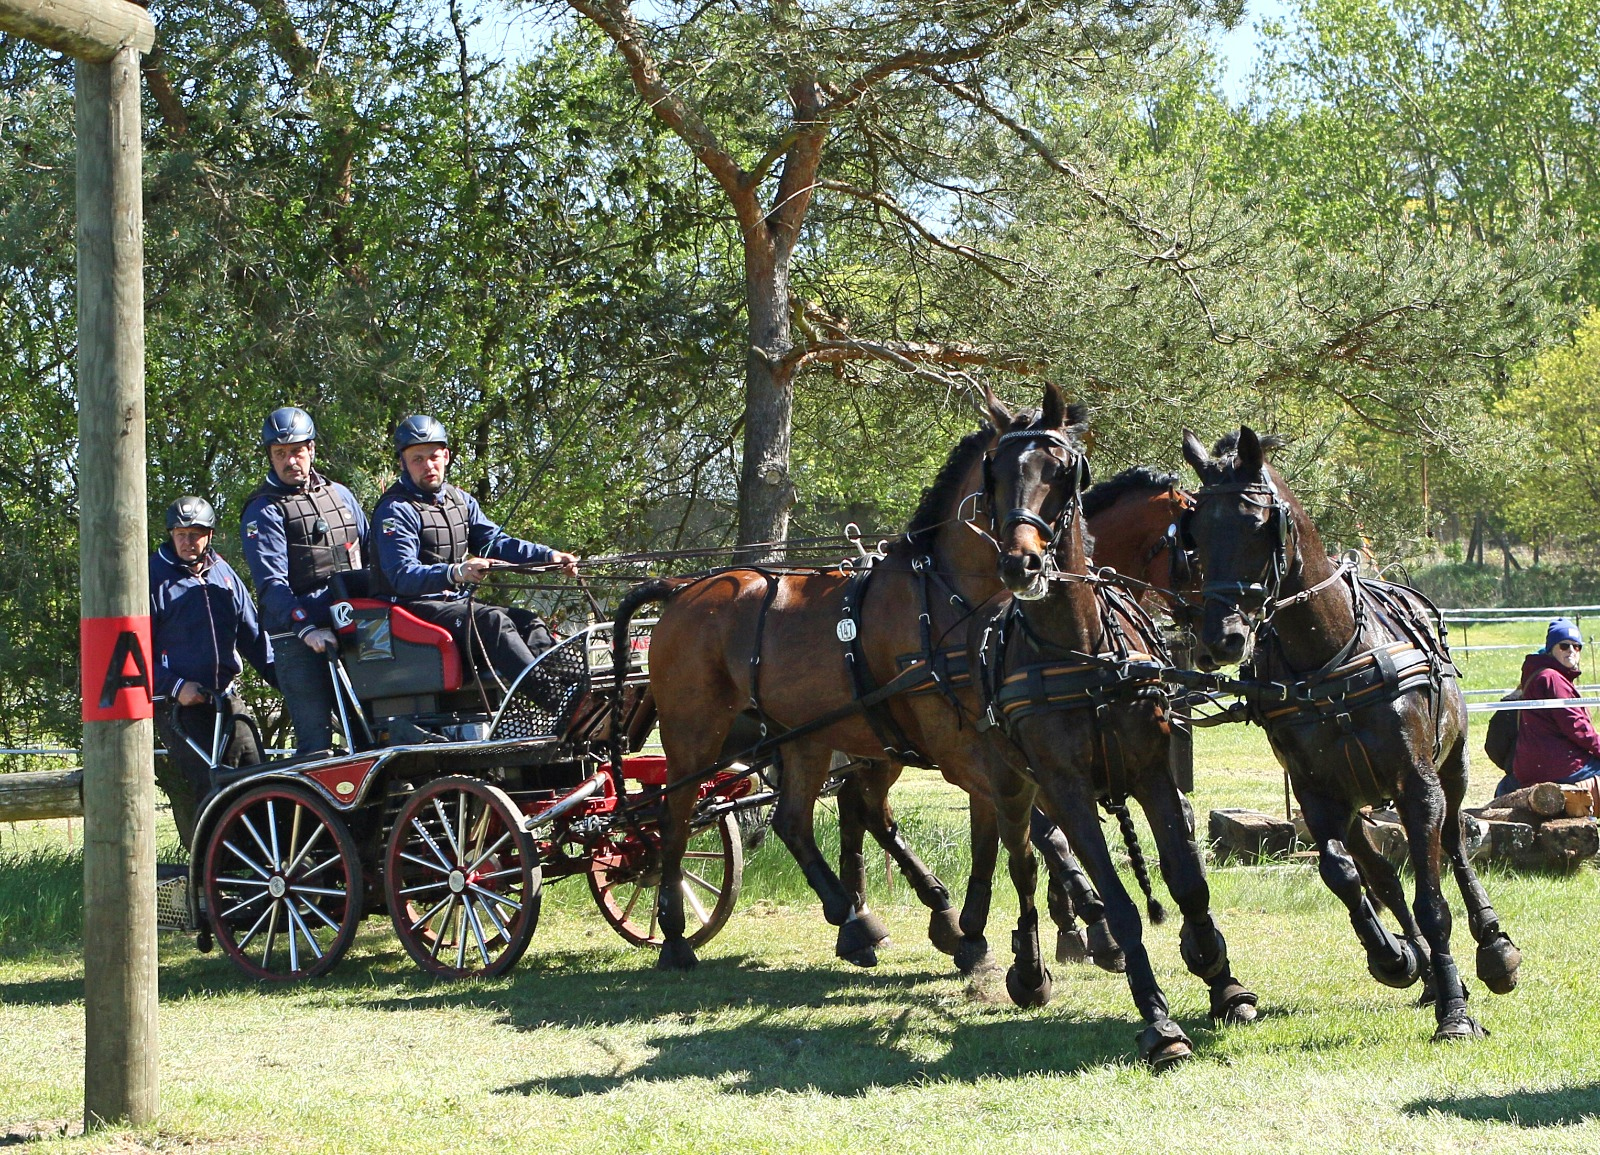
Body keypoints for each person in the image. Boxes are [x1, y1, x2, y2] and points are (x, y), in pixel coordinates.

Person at [370, 415, 578, 691]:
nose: (428, 466)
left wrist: (547, 556)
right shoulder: (395, 510)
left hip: (452, 604)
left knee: (530, 622)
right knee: (492, 621)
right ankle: (551, 698)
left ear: (446, 456)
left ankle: (577, 690)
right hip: (412, 609)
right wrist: (456, 572)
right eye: (417, 459)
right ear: (403, 464)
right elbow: (402, 575)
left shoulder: (459, 501)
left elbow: (496, 543)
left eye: (433, 456)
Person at [239, 406, 368, 755]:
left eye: (296, 451)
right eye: (279, 453)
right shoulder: (263, 509)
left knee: (372, 732)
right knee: (316, 745)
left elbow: (373, 560)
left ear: (311, 449)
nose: (289, 460)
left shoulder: (341, 496)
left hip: (352, 627)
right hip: (297, 637)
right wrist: (307, 630)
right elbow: (271, 585)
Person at [150, 495, 275, 848]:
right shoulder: (152, 577)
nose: (189, 542)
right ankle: (212, 882)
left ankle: (265, 870)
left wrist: (292, 685)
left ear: (210, 534)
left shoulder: (224, 574)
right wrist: (174, 686)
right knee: (212, 793)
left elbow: (254, 638)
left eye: (197, 533)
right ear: (171, 534)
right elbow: (134, 651)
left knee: (259, 782)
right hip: (182, 708)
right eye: (181, 534)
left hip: (227, 698)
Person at [1501, 618, 1600, 795]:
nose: (1571, 650)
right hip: (1558, 765)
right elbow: (1577, 727)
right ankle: (1588, 817)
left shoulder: (1542, 674)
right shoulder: (1552, 678)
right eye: (1564, 646)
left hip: (1533, 764)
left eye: (1576, 646)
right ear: (1551, 649)